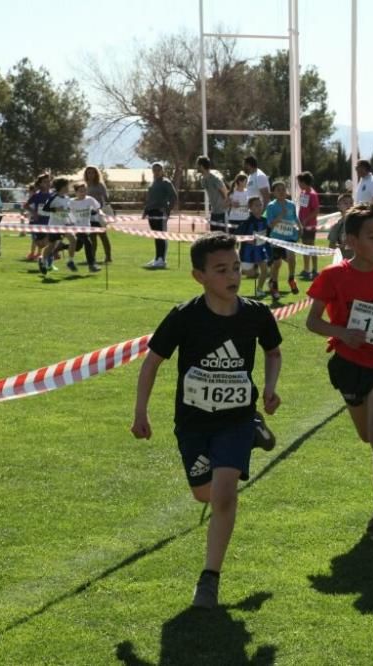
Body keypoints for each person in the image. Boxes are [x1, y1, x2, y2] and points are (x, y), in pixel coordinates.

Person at [131, 232, 283, 609]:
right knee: (205, 494)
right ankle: (253, 435)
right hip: (193, 424)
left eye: (235, 267)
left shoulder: (255, 314)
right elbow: (152, 363)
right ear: (199, 276)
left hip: (235, 418)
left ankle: (209, 580)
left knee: (225, 497)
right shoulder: (185, 317)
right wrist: (140, 411)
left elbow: (274, 350)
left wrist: (269, 385)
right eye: (221, 270)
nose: (233, 276)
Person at [305, 203, 373, 543]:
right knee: (367, 436)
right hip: (347, 364)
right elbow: (312, 322)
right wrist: (341, 333)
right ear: (351, 241)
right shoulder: (333, 276)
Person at [266, 181, 300, 299]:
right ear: (274, 192)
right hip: (276, 239)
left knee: (292, 257)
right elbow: (270, 224)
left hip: (290, 237)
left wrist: (300, 227)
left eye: (283, 189)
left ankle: (291, 279)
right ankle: (274, 286)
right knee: (277, 264)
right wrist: (280, 215)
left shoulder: (291, 205)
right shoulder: (271, 206)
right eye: (278, 190)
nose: (281, 192)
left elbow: (295, 218)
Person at [142, 163, 178, 269]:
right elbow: (149, 198)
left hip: (160, 212)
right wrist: (145, 210)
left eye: (158, 170)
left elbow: (174, 197)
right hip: (151, 212)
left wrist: (167, 210)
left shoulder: (166, 182)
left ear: (162, 171)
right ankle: (157, 258)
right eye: (154, 170)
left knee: (161, 236)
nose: (156, 172)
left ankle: (162, 259)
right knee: (156, 236)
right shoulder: (153, 183)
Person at [39, 177, 78, 274]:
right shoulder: (54, 197)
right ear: (62, 187)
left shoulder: (67, 198)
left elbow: (67, 211)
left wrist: (72, 221)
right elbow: (45, 208)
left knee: (73, 240)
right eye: (67, 185)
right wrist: (56, 209)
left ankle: (70, 261)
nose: (69, 187)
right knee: (51, 246)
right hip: (54, 225)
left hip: (65, 225)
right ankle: (42, 261)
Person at [237, 197, 270, 298]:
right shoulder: (247, 222)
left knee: (264, 270)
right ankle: (231, 285)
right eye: (256, 205)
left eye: (260, 205)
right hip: (248, 251)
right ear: (250, 208)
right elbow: (237, 235)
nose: (259, 207)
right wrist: (248, 240)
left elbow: (268, 235)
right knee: (247, 273)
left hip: (260, 250)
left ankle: (259, 289)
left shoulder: (265, 220)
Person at [68, 183, 102, 272]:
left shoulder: (90, 200)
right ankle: (91, 265)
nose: (83, 193)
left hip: (87, 227)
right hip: (77, 228)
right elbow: (68, 215)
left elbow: (98, 208)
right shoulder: (71, 202)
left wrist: (102, 215)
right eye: (80, 191)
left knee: (77, 247)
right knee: (88, 243)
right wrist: (72, 224)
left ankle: (59, 247)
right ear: (76, 192)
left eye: (84, 191)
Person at [84, 166, 113, 263]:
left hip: (99, 212)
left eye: (92, 172)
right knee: (92, 237)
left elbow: (106, 198)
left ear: (96, 174)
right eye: (88, 173)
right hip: (89, 214)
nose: (90, 174)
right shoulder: (86, 185)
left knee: (103, 235)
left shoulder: (99, 185)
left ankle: (108, 256)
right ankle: (92, 257)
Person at [295, 171, 321, 280]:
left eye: (299, 182)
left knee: (311, 247)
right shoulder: (303, 193)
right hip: (303, 225)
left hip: (310, 226)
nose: (299, 185)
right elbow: (302, 208)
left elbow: (316, 210)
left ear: (304, 182)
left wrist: (306, 220)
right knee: (305, 247)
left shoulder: (312, 194)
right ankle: (306, 269)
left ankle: (314, 270)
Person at [196, 156, 229, 234]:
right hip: (214, 212)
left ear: (201, 166)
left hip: (222, 213)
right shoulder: (203, 180)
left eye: (197, 165)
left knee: (222, 237)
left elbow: (225, 193)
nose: (196, 167)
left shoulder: (215, 179)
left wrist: (225, 206)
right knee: (213, 237)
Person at [327, 192, 354, 261]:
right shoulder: (337, 225)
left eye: (351, 203)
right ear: (339, 206)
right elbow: (331, 246)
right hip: (344, 261)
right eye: (345, 203)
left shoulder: (359, 222)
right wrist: (341, 246)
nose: (349, 205)